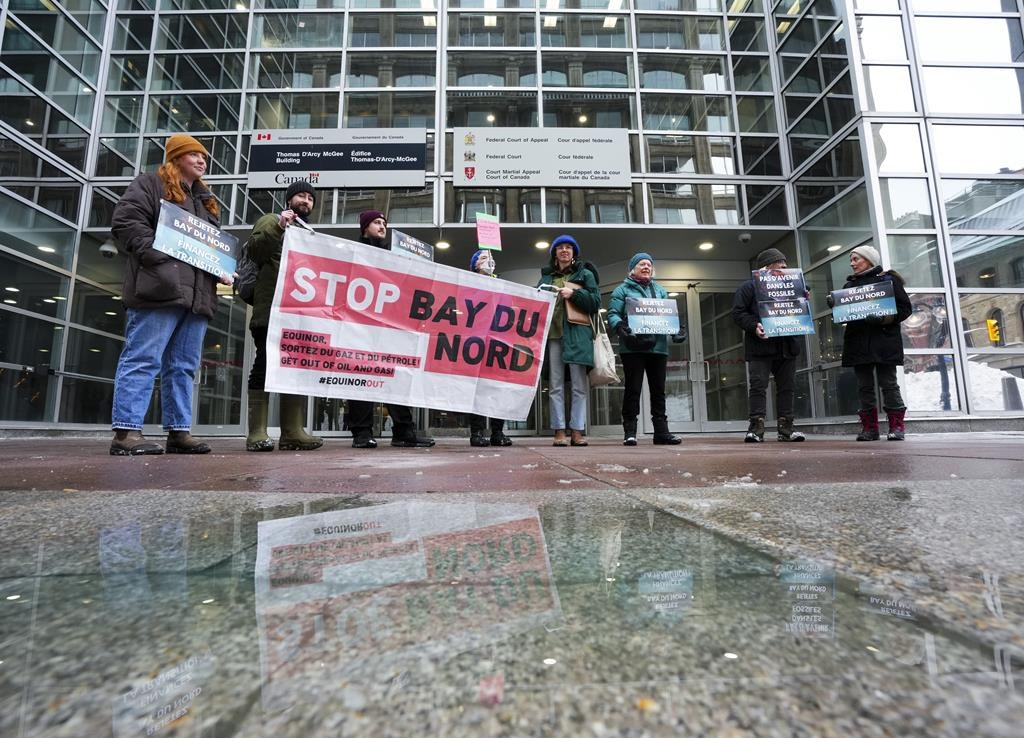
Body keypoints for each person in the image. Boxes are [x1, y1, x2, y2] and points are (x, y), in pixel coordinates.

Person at [108, 134, 232, 456]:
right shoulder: (150, 184)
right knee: (143, 358)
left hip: (197, 298)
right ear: (176, 157)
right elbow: (126, 221)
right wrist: (158, 254)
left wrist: (220, 268)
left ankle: (179, 431)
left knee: (183, 367)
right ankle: (126, 432)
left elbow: (207, 249)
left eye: (204, 157)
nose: (202, 161)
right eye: (194, 155)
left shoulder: (205, 201)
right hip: (159, 289)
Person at [244, 181, 323, 452]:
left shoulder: (308, 233)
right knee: (264, 366)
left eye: (310, 198)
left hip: (298, 316)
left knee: (295, 370)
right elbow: (255, 251)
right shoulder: (271, 220)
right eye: (301, 196)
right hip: (271, 312)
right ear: (289, 200)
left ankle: (292, 432)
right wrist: (279, 226)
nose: (306, 201)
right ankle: (257, 432)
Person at [347, 210, 435, 448]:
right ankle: (361, 432)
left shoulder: (394, 254)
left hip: (390, 325)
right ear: (365, 227)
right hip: (362, 325)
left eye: (384, 223)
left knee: (397, 376)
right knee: (362, 377)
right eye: (376, 222)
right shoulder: (353, 252)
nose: (382, 226)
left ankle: (404, 431)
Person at [829, 245, 912, 441]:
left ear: (869, 260)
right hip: (858, 343)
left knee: (889, 384)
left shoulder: (888, 281)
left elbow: (905, 309)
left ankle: (896, 427)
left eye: (856, 259)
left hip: (884, 342)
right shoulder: (849, 287)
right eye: (851, 259)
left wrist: (884, 319)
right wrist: (836, 306)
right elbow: (844, 316)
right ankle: (870, 428)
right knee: (863, 387)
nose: (852, 263)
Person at [606, 252, 684, 446]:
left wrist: (677, 329)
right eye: (642, 264)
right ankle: (630, 432)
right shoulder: (621, 290)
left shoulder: (660, 291)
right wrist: (619, 326)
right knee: (633, 389)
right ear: (632, 269)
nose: (646, 267)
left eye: (649, 264)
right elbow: (613, 313)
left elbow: (668, 316)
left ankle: (661, 432)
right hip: (632, 348)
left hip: (658, 348)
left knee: (659, 391)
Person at [732, 247, 806, 443]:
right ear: (767, 266)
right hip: (760, 347)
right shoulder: (748, 288)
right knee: (758, 387)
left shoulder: (793, 286)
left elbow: (799, 310)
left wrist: (802, 300)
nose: (784, 267)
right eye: (779, 264)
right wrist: (754, 326)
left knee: (787, 388)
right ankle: (756, 428)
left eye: (785, 264)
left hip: (786, 346)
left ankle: (786, 428)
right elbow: (738, 313)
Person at [537, 235, 601, 447]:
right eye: (560, 247)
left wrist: (573, 294)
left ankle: (577, 431)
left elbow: (595, 302)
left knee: (578, 386)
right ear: (554, 253)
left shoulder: (585, 274)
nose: (564, 250)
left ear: (574, 253)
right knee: (555, 385)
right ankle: (559, 430)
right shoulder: (546, 278)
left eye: (568, 247)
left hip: (578, 336)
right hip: (553, 336)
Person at [466, 249, 513, 447]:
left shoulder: (502, 286)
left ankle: (497, 432)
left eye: (491, 258)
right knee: (477, 390)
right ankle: (476, 432)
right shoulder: (468, 284)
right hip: (476, 342)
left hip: (498, 342)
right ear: (475, 265)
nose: (489, 261)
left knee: (497, 388)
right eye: (484, 258)